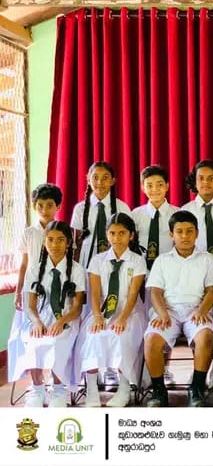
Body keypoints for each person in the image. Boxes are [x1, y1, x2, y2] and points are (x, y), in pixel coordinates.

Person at [143, 210, 213, 407]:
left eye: (189, 231)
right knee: (151, 339)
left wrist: (202, 310)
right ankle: (159, 392)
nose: (185, 236)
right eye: (179, 231)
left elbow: (211, 291)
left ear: (197, 233)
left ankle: (196, 389)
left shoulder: (208, 259)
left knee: (206, 337)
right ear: (171, 235)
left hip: (196, 310)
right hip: (168, 312)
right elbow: (155, 292)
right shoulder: (162, 260)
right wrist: (162, 313)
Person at [8, 221, 85, 407]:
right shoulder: (35, 270)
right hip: (40, 317)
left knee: (59, 341)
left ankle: (58, 389)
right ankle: (38, 388)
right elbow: (30, 305)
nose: (55, 244)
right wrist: (36, 322)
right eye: (50, 239)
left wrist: (61, 321)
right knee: (33, 340)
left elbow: (77, 307)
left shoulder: (76, 270)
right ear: (44, 242)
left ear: (68, 243)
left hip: (67, 317)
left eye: (60, 240)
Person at [76, 213, 147, 407]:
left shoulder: (137, 260)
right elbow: (95, 293)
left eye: (122, 233)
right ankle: (92, 390)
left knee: (123, 337)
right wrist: (97, 316)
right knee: (92, 336)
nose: (116, 238)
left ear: (131, 235)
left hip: (129, 310)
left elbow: (133, 294)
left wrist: (123, 318)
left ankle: (124, 389)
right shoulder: (97, 260)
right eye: (112, 233)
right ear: (107, 235)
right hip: (101, 310)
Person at [181, 159, 213, 389]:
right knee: (199, 321)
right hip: (197, 276)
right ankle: (198, 367)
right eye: (201, 178)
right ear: (194, 181)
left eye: (211, 178)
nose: (206, 182)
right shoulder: (186, 210)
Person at [71, 161, 132, 268]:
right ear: (88, 179)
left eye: (105, 178)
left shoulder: (122, 207)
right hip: (87, 257)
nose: (100, 182)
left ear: (112, 181)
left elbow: (129, 238)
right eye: (95, 177)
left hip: (115, 256)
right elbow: (76, 241)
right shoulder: (80, 209)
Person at [15, 183, 63, 311]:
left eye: (49, 205)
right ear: (34, 206)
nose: (44, 210)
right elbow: (24, 264)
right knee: (33, 319)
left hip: (56, 286)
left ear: (58, 206)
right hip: (32, 286)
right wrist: (18, 292)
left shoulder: (63, 233)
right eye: (40, 205)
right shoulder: (28, 233)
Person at [132, 165, 178, 270]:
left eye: (160, 184)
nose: (155, 189)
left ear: (167, 186)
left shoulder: (177, 214)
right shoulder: (136, 214)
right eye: (149, 185)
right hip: (141, 269)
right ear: (143, 188)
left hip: (170, 268)